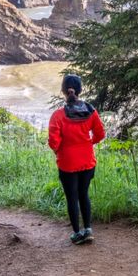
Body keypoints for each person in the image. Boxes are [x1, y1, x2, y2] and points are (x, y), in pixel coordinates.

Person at [48, 73, 106, 245]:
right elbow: (100, 134)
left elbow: (53, 141)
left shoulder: (58, 115)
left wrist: (60, 150)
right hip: (88, 161)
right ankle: (88, 230)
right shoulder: (90, 111)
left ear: (63, 91)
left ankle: (77, 233)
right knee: (83, 195)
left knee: (71, 198)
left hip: (67, 163)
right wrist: (88, 143)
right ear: (80, 90)